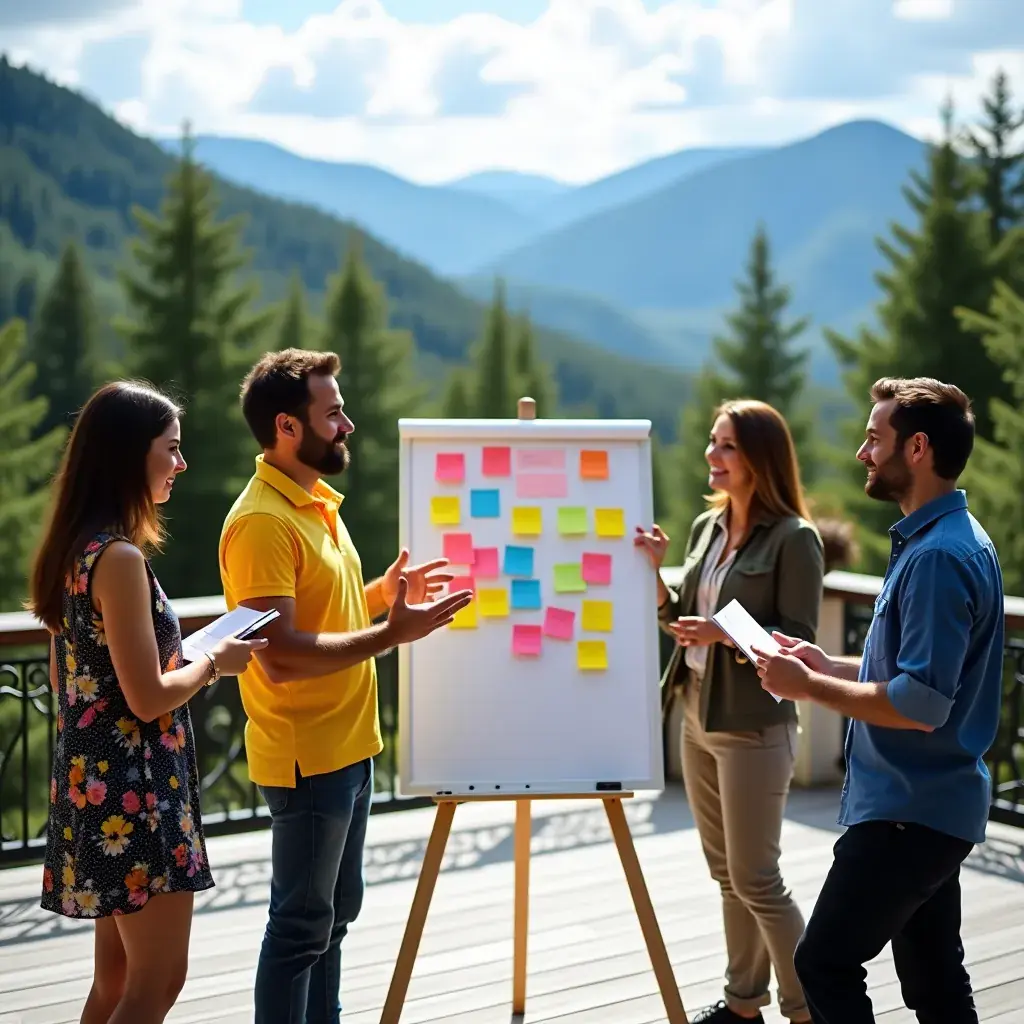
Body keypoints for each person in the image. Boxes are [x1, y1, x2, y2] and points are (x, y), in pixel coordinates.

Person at [217, 348, 472, 1024]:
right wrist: (393, 634)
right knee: (300, 927)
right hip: (309, 760)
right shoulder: (263, 522)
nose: (348, 424)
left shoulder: (315, 503)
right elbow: (278, 656)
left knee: (332, 921)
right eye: (332, 413)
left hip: (350, 750)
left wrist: (383, 594)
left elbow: (321, 617)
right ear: (288, 427)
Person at [754, 377, 1004, 1023]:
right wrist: (824, 663)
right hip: (930, 806)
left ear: (916, 448)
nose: (864, 453)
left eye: (874, 438)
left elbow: (919, 704)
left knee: (825, 965)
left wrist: (808, 687)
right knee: (933, 980)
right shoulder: (947, 539)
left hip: (908, 811)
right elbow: (912, 674)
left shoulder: (939, 557)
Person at [28, 381, 266, 1024]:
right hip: (140, 799)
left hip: (95, 790)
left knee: (115, 981)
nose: (181, 465)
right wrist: (214, 662)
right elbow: (147, 696)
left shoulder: (73, 552)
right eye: (172, 449)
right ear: (132, 455)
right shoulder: (121, 559)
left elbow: (73, 680)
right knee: (157, 982)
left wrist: (177, 656)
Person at [635, 399, 822, 1024]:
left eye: (726, 447)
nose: (711, 456)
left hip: (752, 730)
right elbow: (681, 624)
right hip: (696, 718)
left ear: (759, 459)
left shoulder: (796, 540)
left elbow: (798, 642)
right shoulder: (704, 529)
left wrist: (724, 633)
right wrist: (659, 579)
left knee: (758, 880)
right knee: (728, 878)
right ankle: (744, 1004)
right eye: (713, 443)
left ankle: (810, 1008)